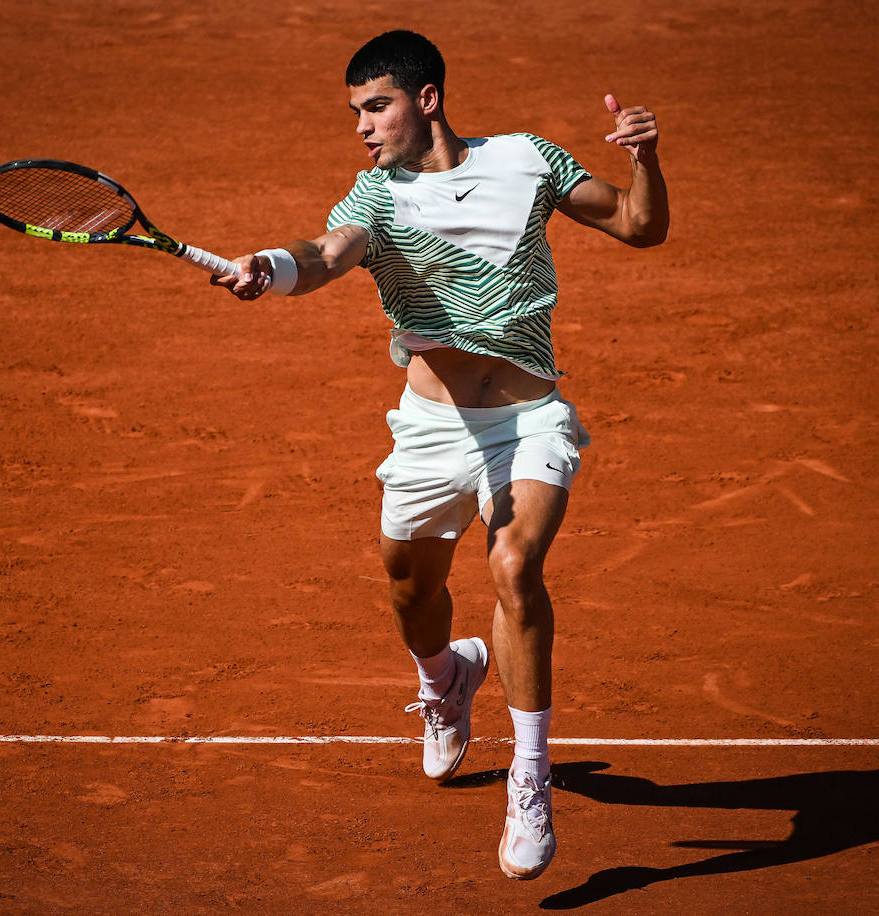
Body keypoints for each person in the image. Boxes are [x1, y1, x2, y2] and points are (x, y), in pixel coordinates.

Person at [213, 29, 667, 880]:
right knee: (408, 584)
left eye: (376, 106)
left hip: (528, 419)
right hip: (429, 429)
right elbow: (325, 255)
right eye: (355, 112)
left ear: (426, 99)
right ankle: (445, 677)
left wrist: (647, 159)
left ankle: (530, 782)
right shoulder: (375, 198)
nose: (363, 126)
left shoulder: (528, 160)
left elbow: (641, 226)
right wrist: (272, 267)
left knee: (514, 564)